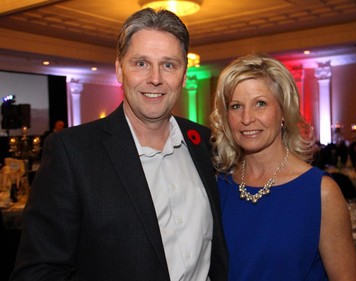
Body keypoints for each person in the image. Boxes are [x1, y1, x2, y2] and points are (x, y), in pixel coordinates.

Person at [10, 8, 227, 281]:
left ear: (184, 75)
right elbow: (38, 273)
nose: (155, 78)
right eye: (141, 63)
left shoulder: (204, 143)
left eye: (169, 65)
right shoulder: (72, 152)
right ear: (119, 70)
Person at [210, 54, 356, 281]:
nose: (246, 118)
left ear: (283, 111)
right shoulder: (219, 186)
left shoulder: (320, 192)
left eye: (260, 103)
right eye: (236, 106)